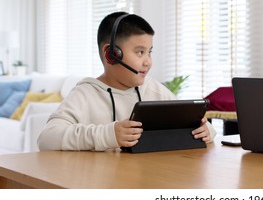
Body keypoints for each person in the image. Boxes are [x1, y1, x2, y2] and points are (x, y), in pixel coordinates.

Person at [38, 12, 216, 151]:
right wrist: (107, 135)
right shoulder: (86, 94)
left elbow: (197, 123)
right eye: (140, 52)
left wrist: (207, 130)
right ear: (112, 54)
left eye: (149, 52)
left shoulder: (152, 89)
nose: (148, 62)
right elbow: (46, 138)